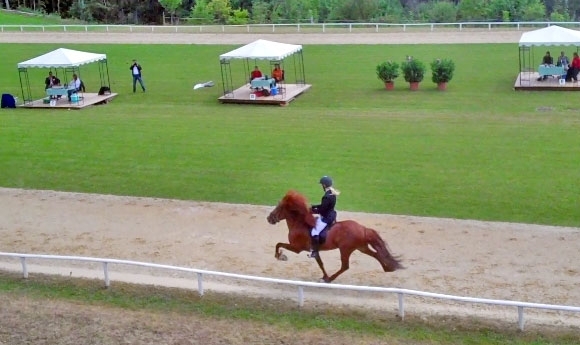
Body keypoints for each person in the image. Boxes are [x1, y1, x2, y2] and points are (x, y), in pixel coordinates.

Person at [309, 176, 340, 258]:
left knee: (314, 232)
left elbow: (322, 210)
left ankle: (315, 252)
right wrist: (313, 206)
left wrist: (312, 211)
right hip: (332, 214)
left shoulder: (326, 196)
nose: (321, 186)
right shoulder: (331, 193)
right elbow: (324, 206)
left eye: (322, 185)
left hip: (326, 218)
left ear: (324, 185)